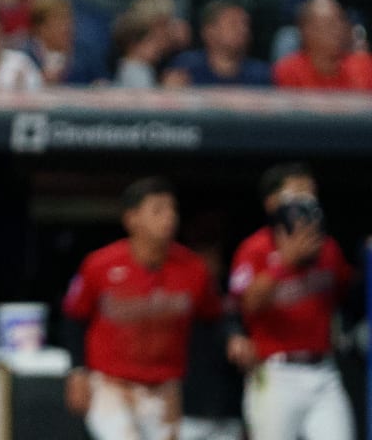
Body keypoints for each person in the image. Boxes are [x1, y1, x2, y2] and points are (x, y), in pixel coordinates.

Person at [61, 177, 223, 440]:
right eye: (158, 209)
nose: (169, 217)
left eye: (172, 209)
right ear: (132, 219)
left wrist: (186, 387)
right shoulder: (100, 264)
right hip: (112, 387)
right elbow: (74, 319)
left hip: (163, 389)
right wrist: (77, 371)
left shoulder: (194, 268)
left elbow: (212, 321)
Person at [228, 163, 356, 440]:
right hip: (275, 373)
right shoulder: (255, 249)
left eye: (310, 194)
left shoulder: (328, 248)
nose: (306, 202)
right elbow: (245, 305)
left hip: (324, 371)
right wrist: (284, 264)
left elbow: (347, 294)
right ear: (272, 202)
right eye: (297, 193)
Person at [272, 0, 372, 90]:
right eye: (330, 24)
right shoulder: (288, 71)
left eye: (341, 21)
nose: (338, 30)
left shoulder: (364, 67)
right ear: (306, 31)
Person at [163, 0, 273, 86]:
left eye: (245, 24)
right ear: (209, 31)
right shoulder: (186, 66)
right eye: (233, 24)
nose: (242, 30)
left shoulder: (261, 74)